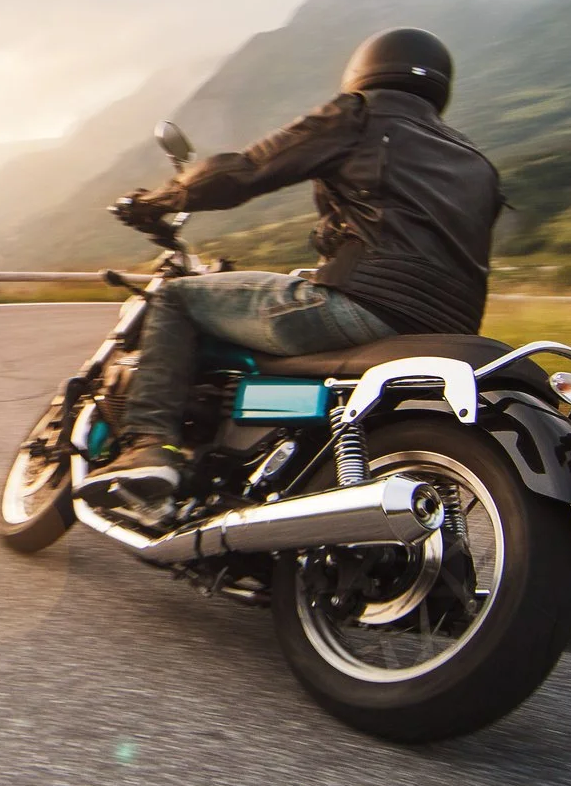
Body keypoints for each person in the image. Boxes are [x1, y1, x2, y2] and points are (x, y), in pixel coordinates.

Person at [83, 27, 502, 504]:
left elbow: (244, 171)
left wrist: (159, 199)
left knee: (176, 298)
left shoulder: (361, 116)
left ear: (364, 71)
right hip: (447, 330)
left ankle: (150, 446)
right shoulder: (475, 159)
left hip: (363, 305)